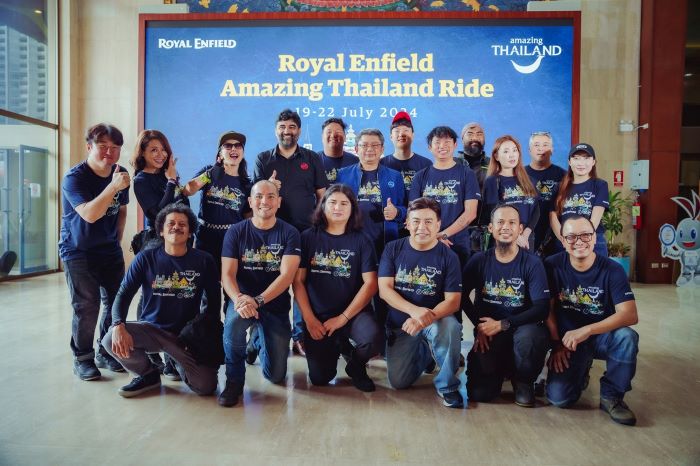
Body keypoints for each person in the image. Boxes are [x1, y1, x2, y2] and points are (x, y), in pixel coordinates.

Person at [101, 204, 221, 398]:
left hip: (185, 337)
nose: (176, 227)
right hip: (152, 330)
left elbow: (213, 303)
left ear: (190, 232)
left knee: (205, 386)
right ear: (161, 231)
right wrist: (117, 324)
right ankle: (147, 375)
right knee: (110, 339)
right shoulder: (145, 258)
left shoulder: (204, 260)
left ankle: (175, 361)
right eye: (171, 223)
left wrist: (202, 337)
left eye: (182, 224)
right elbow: (123, 294)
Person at [545, 215, 639, 426]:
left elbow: (630, 314)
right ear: (563, 241)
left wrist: (587, 330)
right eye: (571, 237)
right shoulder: (552, 265)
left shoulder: (612, 269)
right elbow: (547, 310)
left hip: (600, 337)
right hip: (568, 342)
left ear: (595, 238)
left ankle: (612, 396)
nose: (579, 241)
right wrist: (556, 344)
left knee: (626, 337)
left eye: (586, 235)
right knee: (559, 399)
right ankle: (580, 371)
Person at [219, 180, 301, 407]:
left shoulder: (290, 233)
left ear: (279, 202)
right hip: (242, 300)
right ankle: (234, 381)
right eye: (259, 196)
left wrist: (258, 300)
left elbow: (287, 276)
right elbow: (227, 274)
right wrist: (239, 299)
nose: (265, 201)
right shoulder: (235, 232)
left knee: (275, 375)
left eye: (271, 196)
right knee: (233, 326)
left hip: (274, 303)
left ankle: (255, 339)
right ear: (250, 201)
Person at [253, 109, 329, 356]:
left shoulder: (312, 158)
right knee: (268, 282)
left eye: (292, 127)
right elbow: (255, 197)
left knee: (300, 282)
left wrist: (320, 226)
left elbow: (322, 196)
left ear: (299, 130)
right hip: (271, 233)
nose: (287, 131)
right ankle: (258, 337)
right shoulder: (263, 159)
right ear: (276, 130)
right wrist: (270, 187)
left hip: (305, 231)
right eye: (283, 127)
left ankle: (299, 336)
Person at [293, 184, 382, 392]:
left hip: (353, 313)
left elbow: (371, 283)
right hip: (319, 315)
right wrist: (310, 319)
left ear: (353, 209)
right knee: (320, 378)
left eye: (344, 203)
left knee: (373, 339)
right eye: (332, 202)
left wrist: (343, 318)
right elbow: (298, 282)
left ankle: (356, 366)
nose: (337, 208)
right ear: (323, 206)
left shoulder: (362, 240)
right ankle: (340, 344)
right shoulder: (307, 237)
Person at [59, 123, 130, 380]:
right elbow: (89, 214)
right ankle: (83, 358)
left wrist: (116, 241)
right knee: (86, 306)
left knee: (115, 303)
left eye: (115, 147)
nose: (109, 152)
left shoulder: (121, 173)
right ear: (89, 147)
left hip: (109, 250)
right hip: (78, 250)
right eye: (103, 146)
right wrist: (112, 187)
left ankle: (105, 351)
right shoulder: (74, 178)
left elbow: (122, 210)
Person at [378, 198, 464, 408]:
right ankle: (427, 355)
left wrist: (424, 318)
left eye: (428, 221)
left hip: (435, 319)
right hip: (401, 324)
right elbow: (384, 290)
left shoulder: (449, 257)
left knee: (450, 327)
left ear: (438, 224)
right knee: (399, 382)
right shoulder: (392, 249)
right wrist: (414, 312)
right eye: (416, 221)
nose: (421, 227)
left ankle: (447, 386)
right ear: (407, 223)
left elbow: (453, 302)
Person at [462, 204, 550, 407]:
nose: (506, 227)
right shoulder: (479, 261)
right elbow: (461, 297)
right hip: (490, 332)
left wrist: (504, 323)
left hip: (521, 329)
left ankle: (524, 381)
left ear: (520, 229)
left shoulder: (532, 263)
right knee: (479, 393)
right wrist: (479, 326)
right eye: (500, 222)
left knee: (531, 337)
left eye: (512, 222)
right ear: (490, 228)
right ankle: (503, 370)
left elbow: (542, 308)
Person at [131, 129, 189, 378]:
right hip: (157, 245)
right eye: (153, 150)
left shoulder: (169, 175)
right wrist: (171, 182)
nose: (160, 154)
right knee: (153, 297)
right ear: (142, 153)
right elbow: (159, 215)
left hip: (180, 243)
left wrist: (174, 182)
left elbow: (183, 207)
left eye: (163, 149)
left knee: (176, 298)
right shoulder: (141, 180)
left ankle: (172, 356)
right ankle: (149, 351)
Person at [337, 128, 406, 326]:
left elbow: (407, 209)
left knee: (384, 293)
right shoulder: (343, 175)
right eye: (364, 145)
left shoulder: (395, 176)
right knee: (352, 291)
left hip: (384, 244)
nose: (369, 149)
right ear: (356, 149)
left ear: (382, 149)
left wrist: (397, 212)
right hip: (352, 243)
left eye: (375, 145)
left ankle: (384, 335)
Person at [182, 131, 252, 311]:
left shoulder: (245, 183)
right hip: (206, 237)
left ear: (242, 152)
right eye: (228, 146)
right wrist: (210, 173)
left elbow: (248, 217)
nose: (233, 149)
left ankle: (229, 323)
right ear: (220, 152)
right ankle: (208, 324)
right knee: (208, 288)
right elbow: (188, 190)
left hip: (232, 238)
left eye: (238, 146)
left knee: (232, 286)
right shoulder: (209, 173)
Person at [409, 125, 480, 266]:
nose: (442, 146)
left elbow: (471, 213)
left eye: (447, 142)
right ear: (430, 147)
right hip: (426, 242)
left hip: (457, 243)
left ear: (455, 145)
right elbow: (412, 213)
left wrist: (443, 234)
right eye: (437, 142)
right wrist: (432, 237)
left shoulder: (467, 174)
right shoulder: (420, 176)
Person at [482, 135, 540, 251]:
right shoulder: (492, 181)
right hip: (504, 238)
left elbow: (536, 210)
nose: (512, 155)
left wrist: (525, 235)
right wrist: (516, 236)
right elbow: (492, 214)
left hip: (526, 239)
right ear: (496, 156)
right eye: (506, 151)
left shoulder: (530, 180)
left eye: (515, 150)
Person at [551, 143, 610, 257]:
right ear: (569, 162)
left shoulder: (600, 185)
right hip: (565, 241)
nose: (581, 163)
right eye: (576, 158)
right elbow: (553, 217)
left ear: (593, 162)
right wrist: (564, 240)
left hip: (592, 240)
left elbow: (595, 219)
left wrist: (583, 239)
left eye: (586, 158)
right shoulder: (559, 187)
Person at [525, 131, 566, 256]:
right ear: (529, 150)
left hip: (554, 235)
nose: (541, 149)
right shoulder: (520, 175)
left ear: (552, 150)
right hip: (526, 233)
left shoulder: (563, 175)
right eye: (536, 145)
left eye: (545, 145)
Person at [379, 111, 432, 203]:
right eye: (397, 131)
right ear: (391, 137)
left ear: (413, 135)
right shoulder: (381, 164)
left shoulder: (426, 164)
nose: (401, 134)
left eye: (406, 130)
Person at [318, 117, 359, 182]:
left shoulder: (356, 162)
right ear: (322, 137)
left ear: (345, 137)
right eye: (329, 132)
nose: (333, 135)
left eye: (338, 132)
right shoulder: (313, 160)